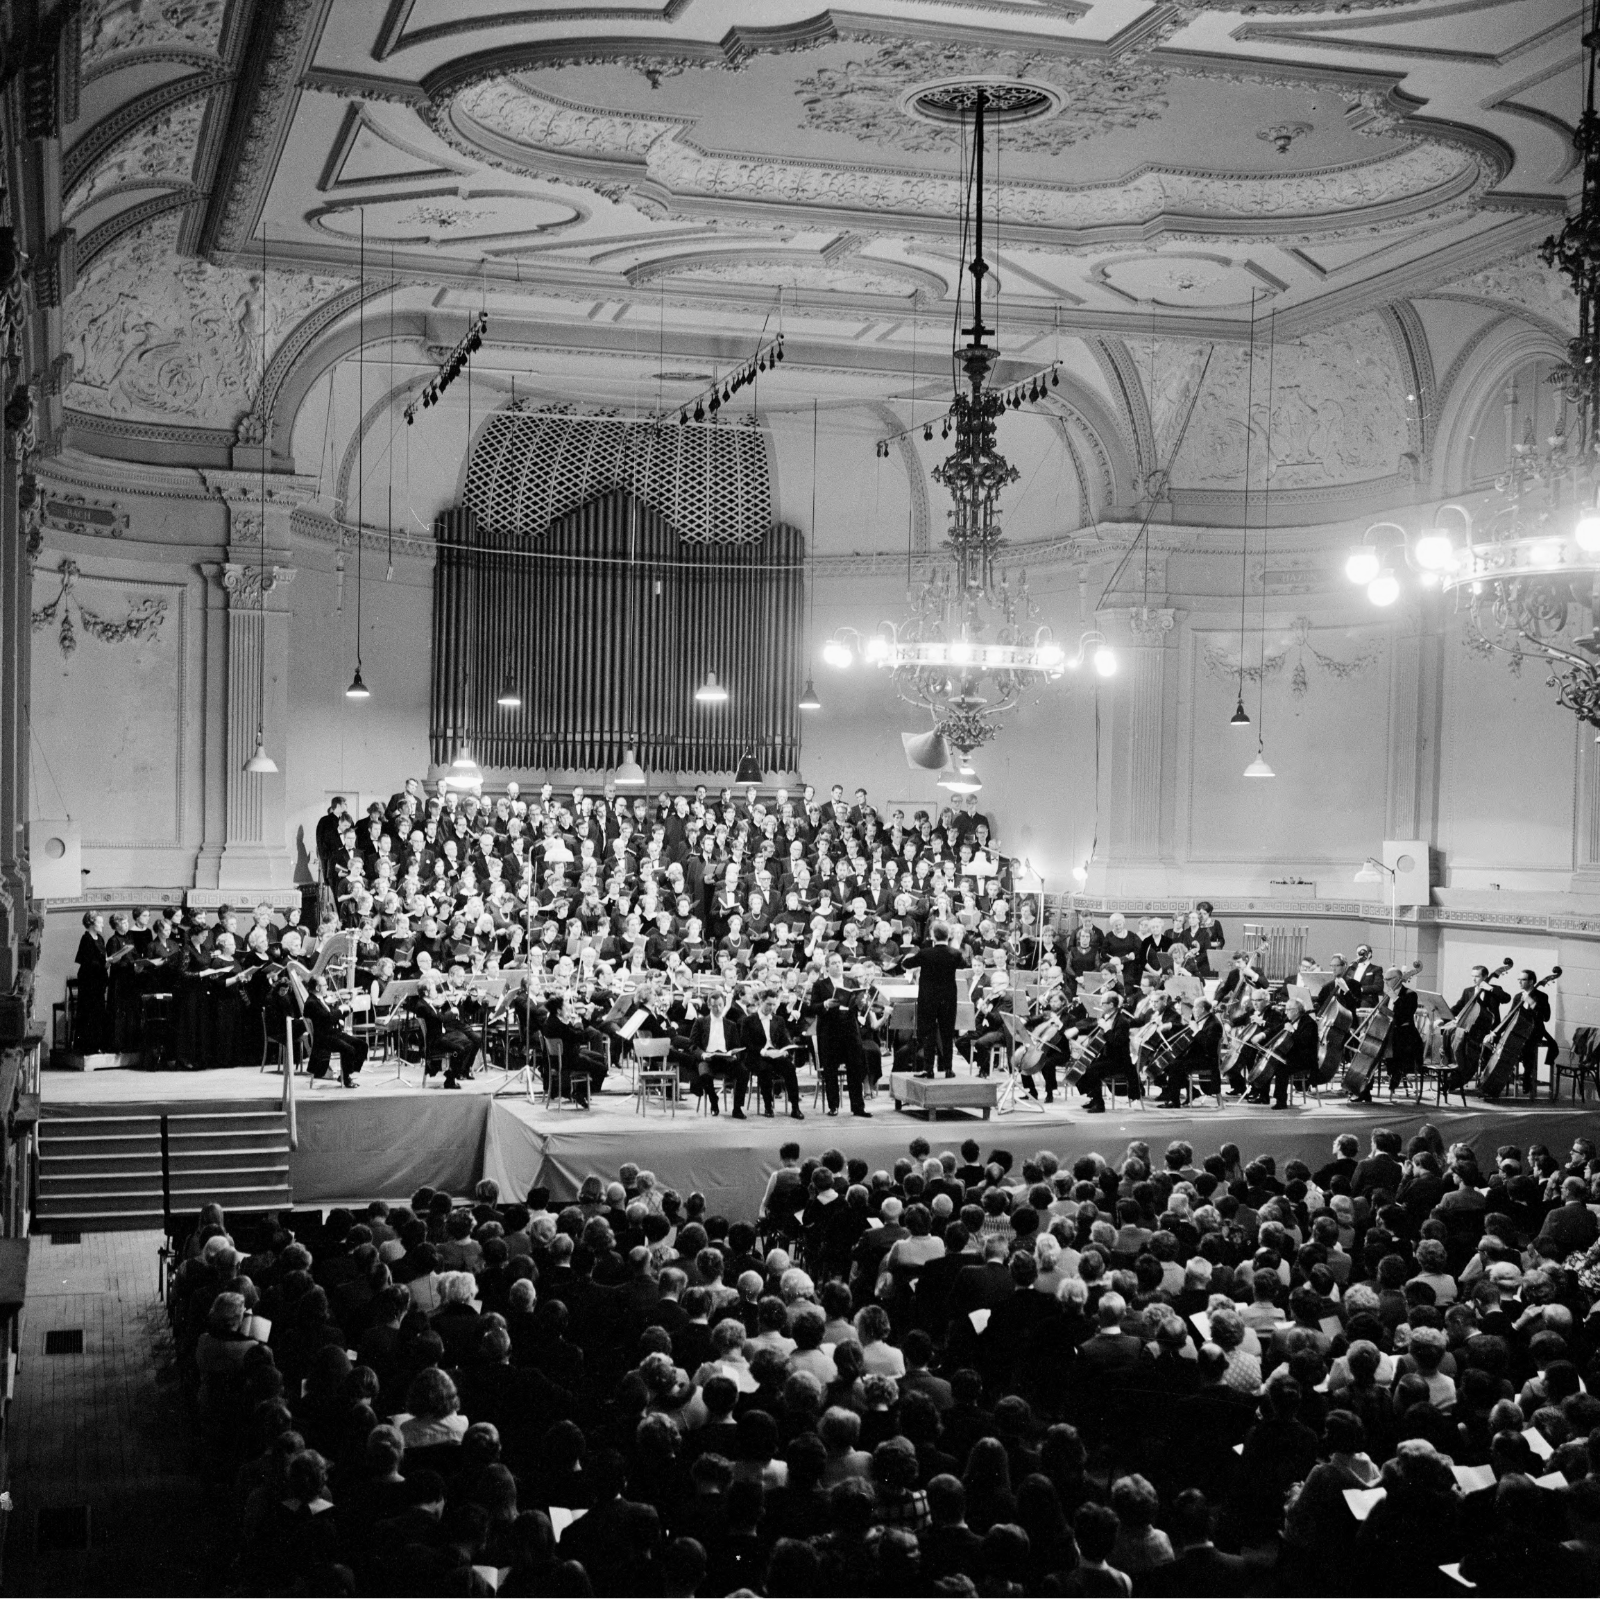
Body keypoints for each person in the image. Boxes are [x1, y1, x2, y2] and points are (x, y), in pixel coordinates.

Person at [901, 921, 970, 1079]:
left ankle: (928, 1069)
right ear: (948, 936)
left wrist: (909, 958)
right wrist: (955, 947)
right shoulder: (954, 953)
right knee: (947, 1033)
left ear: (933, 936)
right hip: (948, 999)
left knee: (928, 1034)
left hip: (928, 999)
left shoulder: (925, 953)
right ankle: (948, 1069)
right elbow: (964, 964)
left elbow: (906, 964)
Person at [807, 953, 870, 1117]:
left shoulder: (852, 982)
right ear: (827, 967)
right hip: (830, 1031)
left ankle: (858, 1107)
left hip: (850, 1029)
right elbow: (812, 1008)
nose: (838, 965)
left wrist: (861, 1004)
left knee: (855, 1068)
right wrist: (825, 1004)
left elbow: (858, 1006)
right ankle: (833, 1106)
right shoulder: (820, 985)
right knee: (831, 1070)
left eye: (839, 962)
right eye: (834, 963)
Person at [744, 990, 804, 1119]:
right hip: (758, 1055)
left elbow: (784, 1040)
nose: (771, 1007)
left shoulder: (779, 1020)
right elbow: (747, 1043)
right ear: (760, 1002)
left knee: (790, 1068)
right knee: (765, 1069)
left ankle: (795, 1107)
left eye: (773, 1004)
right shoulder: (749, 1020)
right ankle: (768, 1106)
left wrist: (786, 1050)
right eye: (768, 1004)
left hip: (775, 1054)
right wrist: (764, 1052)